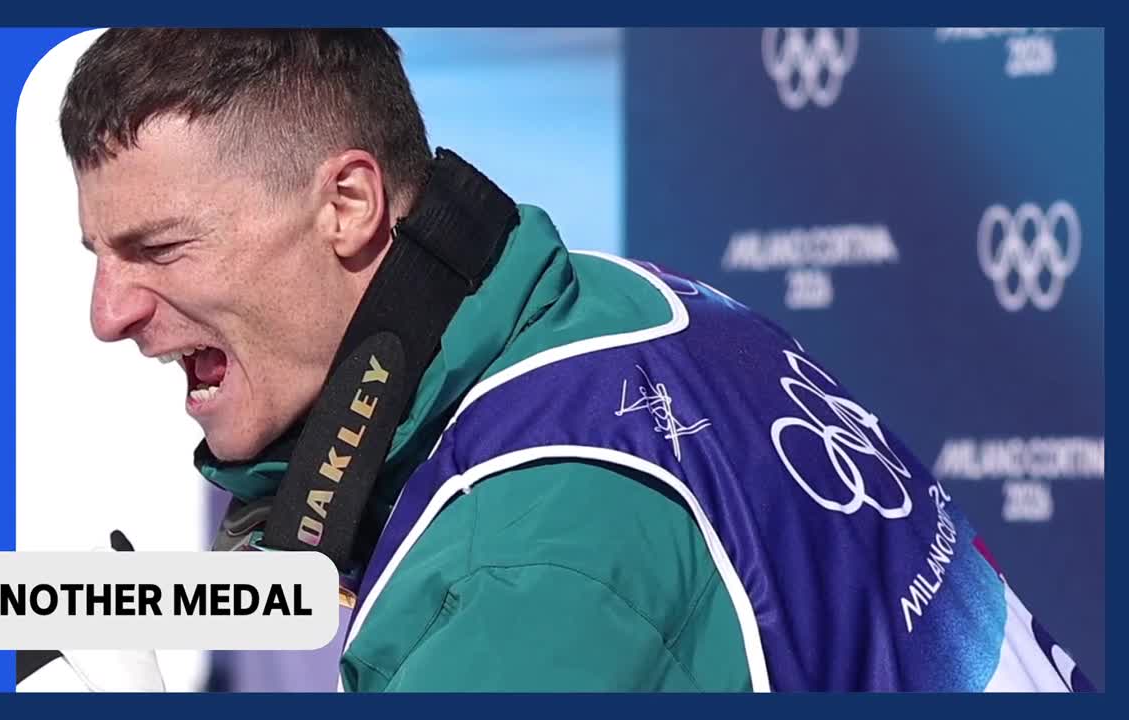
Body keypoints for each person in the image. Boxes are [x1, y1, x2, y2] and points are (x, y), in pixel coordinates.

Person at [55, 28, 1091, 692]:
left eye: (158, 247)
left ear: (348, 205)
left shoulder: (531, 563)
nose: (109, 312)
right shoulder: (611, 306)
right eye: (98, 255)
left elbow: (560, 577)